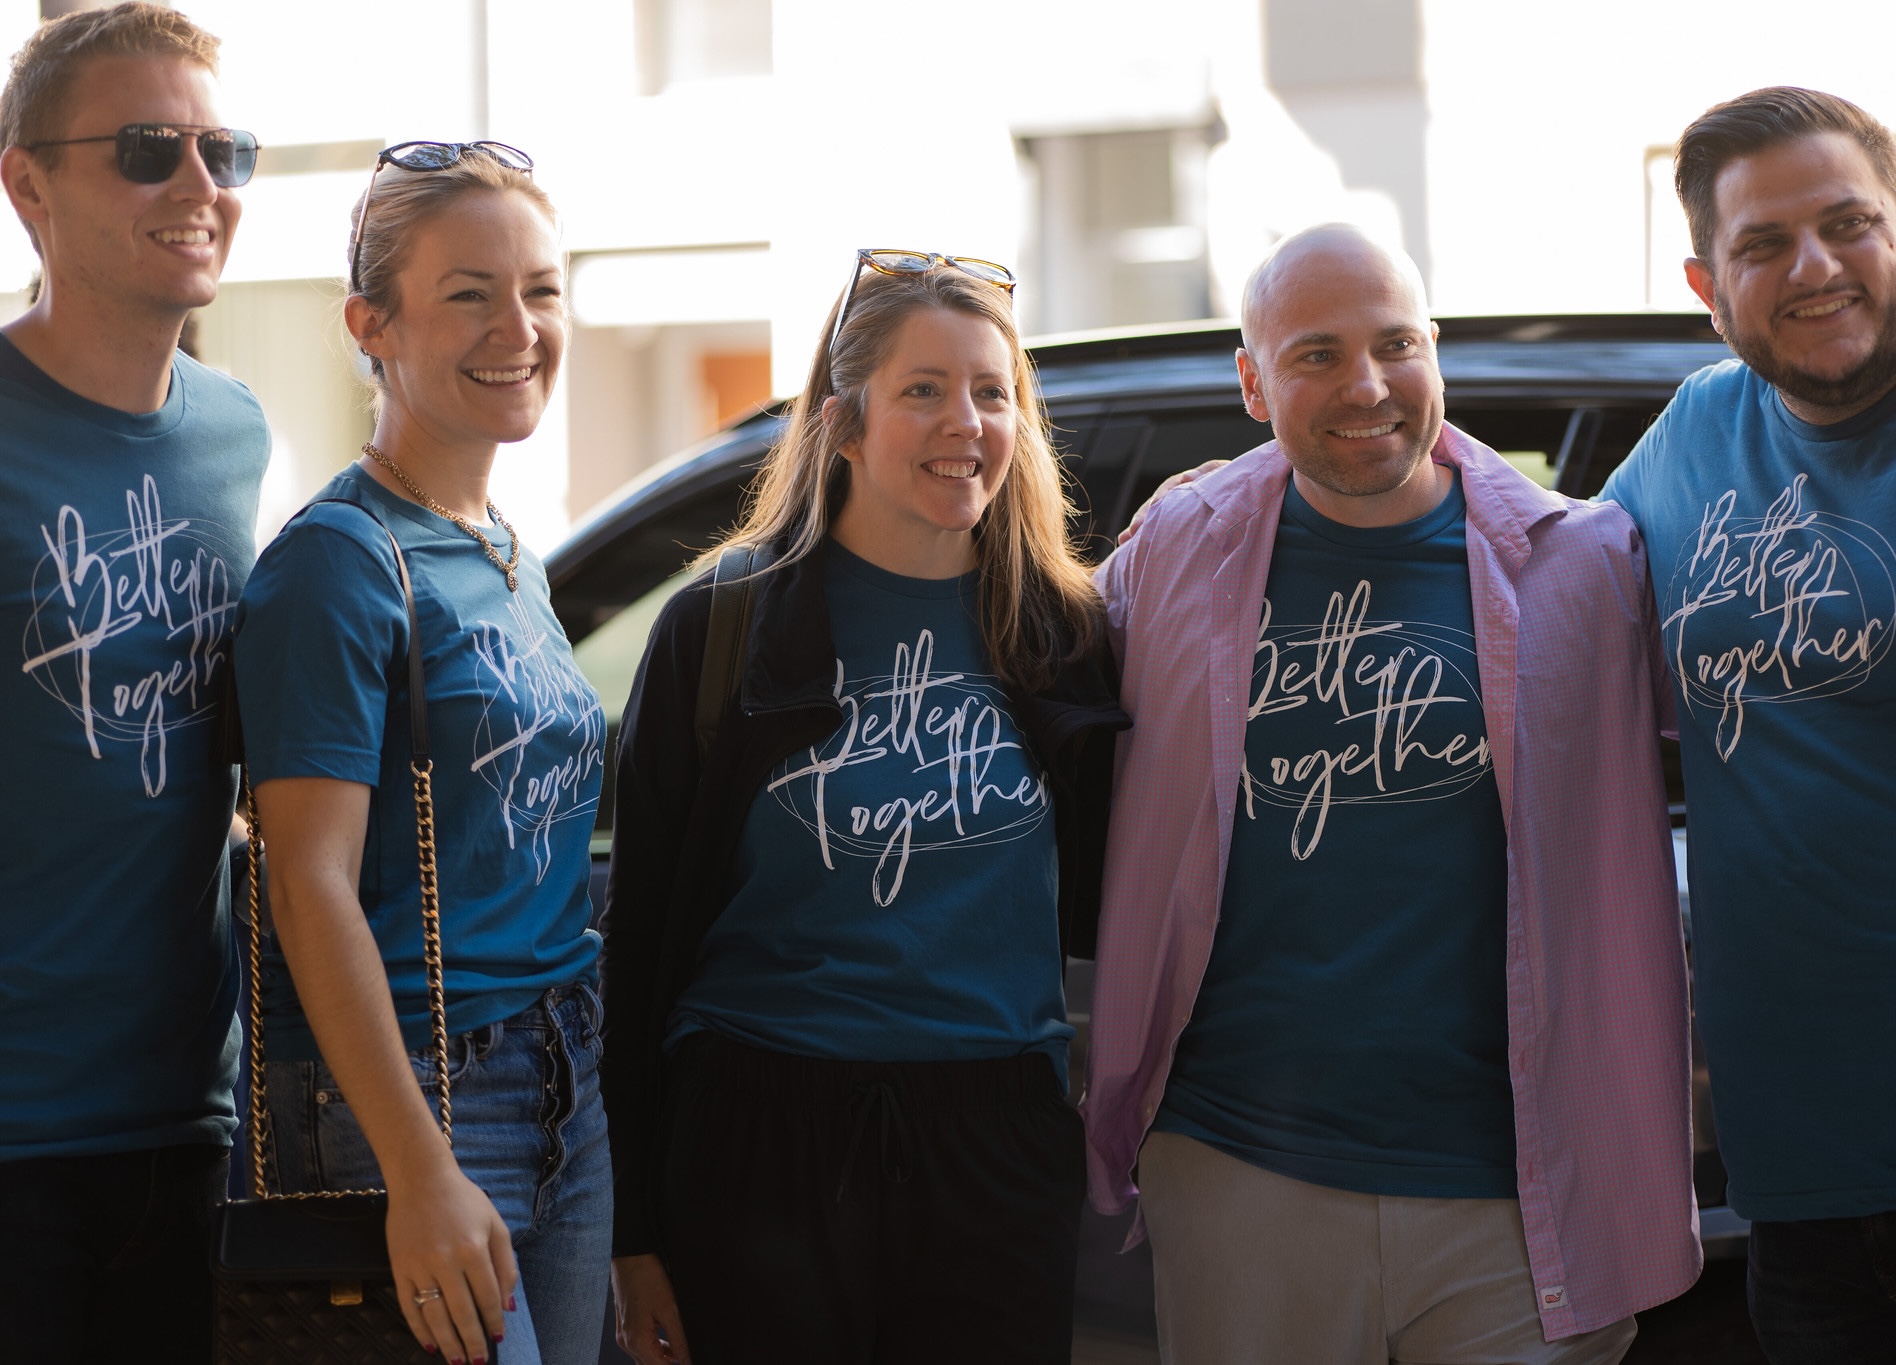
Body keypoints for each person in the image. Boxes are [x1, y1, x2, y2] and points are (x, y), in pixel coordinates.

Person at [1087, 224, 1698, 1365]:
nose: (1365, 386)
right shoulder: (1175, 545)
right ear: (1250, 380)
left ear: (1435, 352)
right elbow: (1011, 663)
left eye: (1396, 344)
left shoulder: (1586, 565)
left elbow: (1802, 720)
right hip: (1238, 1172)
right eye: (1315, 354)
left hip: (1517, 1195)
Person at [602, 251, 1127, 1365]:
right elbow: (639, 948)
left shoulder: (1063, 639)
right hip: (761, 1141)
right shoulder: (720, 631)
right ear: (841, 422)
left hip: (995, 1144)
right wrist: (634, 1233)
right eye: (923, 390)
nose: (966, 423)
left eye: (993, 393)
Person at [1599, 87, 1896, 1363]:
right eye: (1761, 246)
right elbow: (1529, 604)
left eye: (1845, 223)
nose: (1812, 268)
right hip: (1800, 1189)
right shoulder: (1693, 438)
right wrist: (1252, 493)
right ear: (1705, 282)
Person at [232, 143, 609, 1365]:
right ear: (370, 324)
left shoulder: (503, 547)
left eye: (541, 290)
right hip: (429, 1095)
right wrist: (416, 1165)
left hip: (565, 1077)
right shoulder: (339, 562)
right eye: (469, 293)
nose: (519, 326)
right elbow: (306, 884)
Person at [0, 7, 269, 1359]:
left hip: (186, 1120)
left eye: (226, 150)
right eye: (151, 149)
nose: (201, 186)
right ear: (27, 183)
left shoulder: (235, 431)